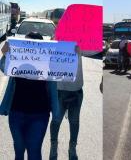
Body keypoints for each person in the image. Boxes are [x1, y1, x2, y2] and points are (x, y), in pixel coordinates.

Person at [0, 32, 59, 160]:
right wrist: (5, 54)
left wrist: (74, 53)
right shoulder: (18, 60)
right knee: (19, 150)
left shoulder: (48, 63)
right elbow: (4, 68)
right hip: (16, 114)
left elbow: (63, 71)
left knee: (34, 152)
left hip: (39, 115)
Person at [49, 42, 84, 160]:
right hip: (58, 90)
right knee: (56, 121)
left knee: (74, 122)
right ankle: (53, 146)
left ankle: (72, 147)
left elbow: (95, 50)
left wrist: (81, 49)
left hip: (76, 90)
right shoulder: (54, 43)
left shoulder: (81, 41)